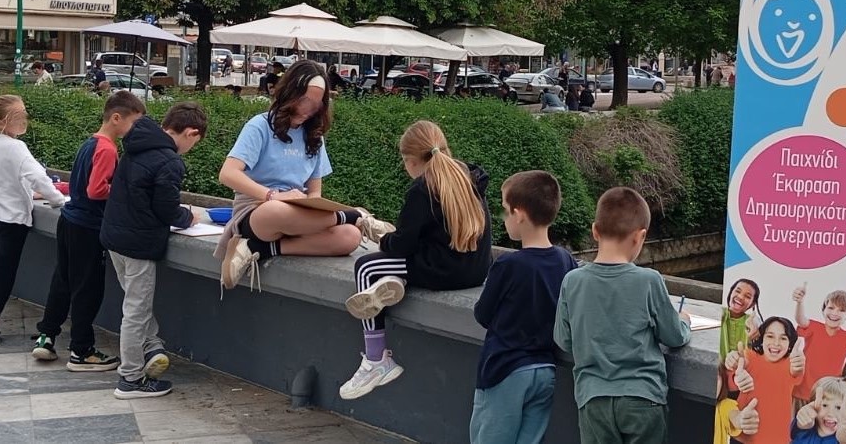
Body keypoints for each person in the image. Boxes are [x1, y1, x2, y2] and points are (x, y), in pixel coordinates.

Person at [338, 120, 492, 400]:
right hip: (477, 269)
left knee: (367, 267)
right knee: (395, 266)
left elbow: (402, 245)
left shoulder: (423, 189)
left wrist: (382, 238)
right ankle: (394, 281)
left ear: (410, 160)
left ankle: (376, 359)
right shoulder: (467, 177)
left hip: (445, 270)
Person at [216, 61, 391, 290]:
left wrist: (310, 205)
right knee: (275, 210)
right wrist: (273, 195)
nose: (308, 110)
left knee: (349, 236)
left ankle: (259, 248)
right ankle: (354, 215)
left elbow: (315, 192)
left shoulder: (314, 137)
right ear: (291, 92)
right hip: (258, 211)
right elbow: (227, 174)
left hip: (297, 215)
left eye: (316, 105)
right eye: (304, 101)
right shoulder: (260, 126)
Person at [555, 187, 691, 444]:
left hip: (593, 399)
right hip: (644, 397)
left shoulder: (572, 281)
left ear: (595, 231)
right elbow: (673, 336)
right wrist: (684, 321)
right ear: (640, 236)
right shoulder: (649, 280)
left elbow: (563, 340)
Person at [100, 102, 209, 398]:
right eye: (195, 142)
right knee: (136, 310)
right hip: (139, 245)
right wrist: (188, 217)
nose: (191, 148)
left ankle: (152, 347)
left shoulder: (136, 144)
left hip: (115, 238)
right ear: (191, 133)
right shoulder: (168, 161)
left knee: (135, 303)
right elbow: (165, 209)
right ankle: (131, 378)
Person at [33, 91, 146, 371]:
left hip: (69, 220)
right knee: (88, 288)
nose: (136, 130)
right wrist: (124, 190)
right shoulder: (108, 149)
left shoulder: (90, 143)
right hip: (88, 227)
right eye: (134, 123)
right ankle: (81, 350)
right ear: (116, 118)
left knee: (63, 280)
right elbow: (96, 190)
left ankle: (47, 336)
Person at [469, 170, 576, 444]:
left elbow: (483, 314)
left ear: (519, 215)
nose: (503, 217)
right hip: (545, 368)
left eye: (505, 210)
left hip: (506, 369)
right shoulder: (566, 261)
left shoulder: (508, 264)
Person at [0, 95, 68, 344]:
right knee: (5, 273)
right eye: (19, 115)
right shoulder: (16, 147)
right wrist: (58, 200)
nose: (25, 119)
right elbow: (38, 177)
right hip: (13, 219)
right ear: (2, 122)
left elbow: (3, 179)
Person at [728, 316, 805, 444]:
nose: (776, 343)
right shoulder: (749, 357)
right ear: (762, 338)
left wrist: (798, 363)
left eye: (783, 338)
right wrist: (733, 360)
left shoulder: (790, 364)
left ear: (790, 344)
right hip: (742, 437)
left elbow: (796, 371)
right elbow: (738, 368)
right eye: (770, 336)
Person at [792, 286, 846, 400]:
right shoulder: (814, 327)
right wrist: (800, 302)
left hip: (827, 396)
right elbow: (800, 319)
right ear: (824, 310)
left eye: (841, 310)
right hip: (801, 392)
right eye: (831, 308)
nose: (835, 313)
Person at [791, 376, 846, 444]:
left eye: (838, 407)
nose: (830, 413)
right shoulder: (804, 430)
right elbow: (796, 429)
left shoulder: (844, 437)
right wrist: (802, 423)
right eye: (824, 405)